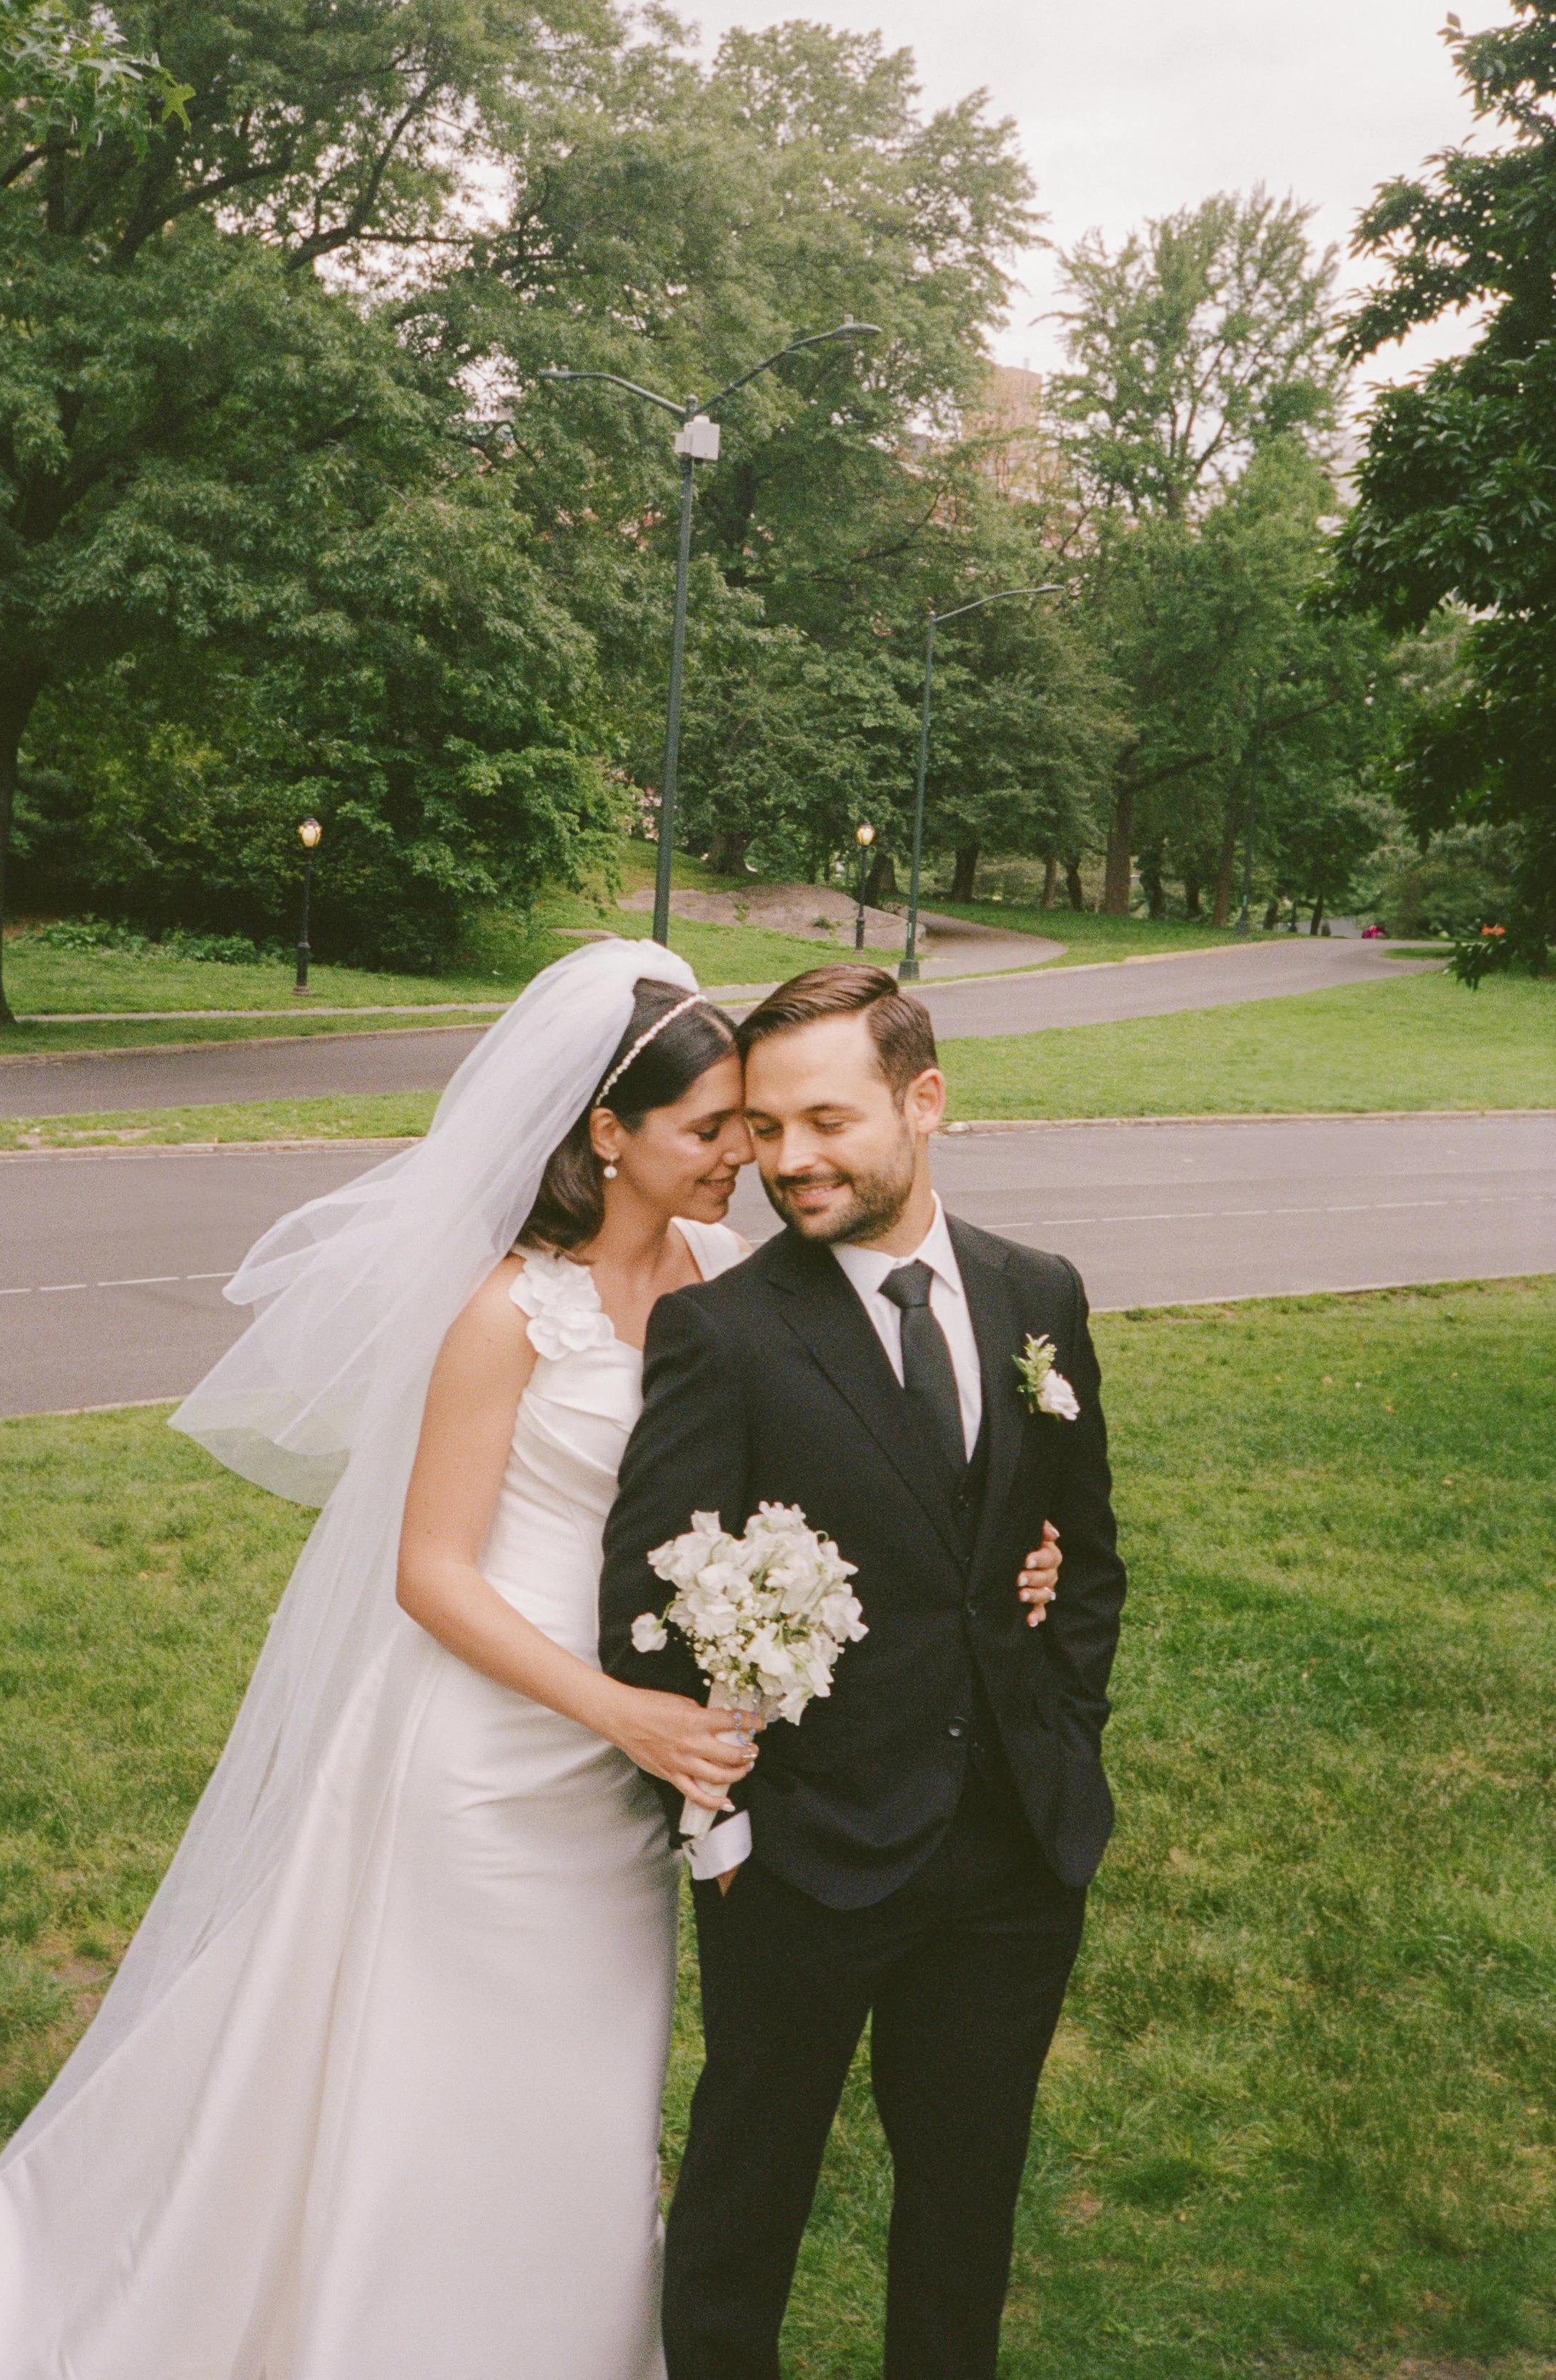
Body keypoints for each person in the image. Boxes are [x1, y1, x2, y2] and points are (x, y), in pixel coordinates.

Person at [0, 940, 1062, 2380]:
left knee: (584, 2085)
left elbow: (830, 1458)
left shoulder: (732, 1272)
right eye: (714, 1130)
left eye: (753, 1128)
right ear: (605, 1134)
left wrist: (998, 1559)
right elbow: (429, 1571)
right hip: (491, 1747)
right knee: (433, 2071)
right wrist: (617, 1708)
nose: (742, 1160)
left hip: (638, 1768)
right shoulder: (503, 1310)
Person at [602, 961, 1123, 2380]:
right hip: (805, 1857)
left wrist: (1062, 1736)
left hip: (1013, 1849)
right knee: (741, 2207)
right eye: (763, 1129)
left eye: (821, 1120)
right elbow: (646, 1608)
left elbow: (1081, 1556)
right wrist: (721, 1830)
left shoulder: (1038, 1295)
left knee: (963, 2211)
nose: (787, 1161)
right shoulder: (727, 1330)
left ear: (923, 1099)